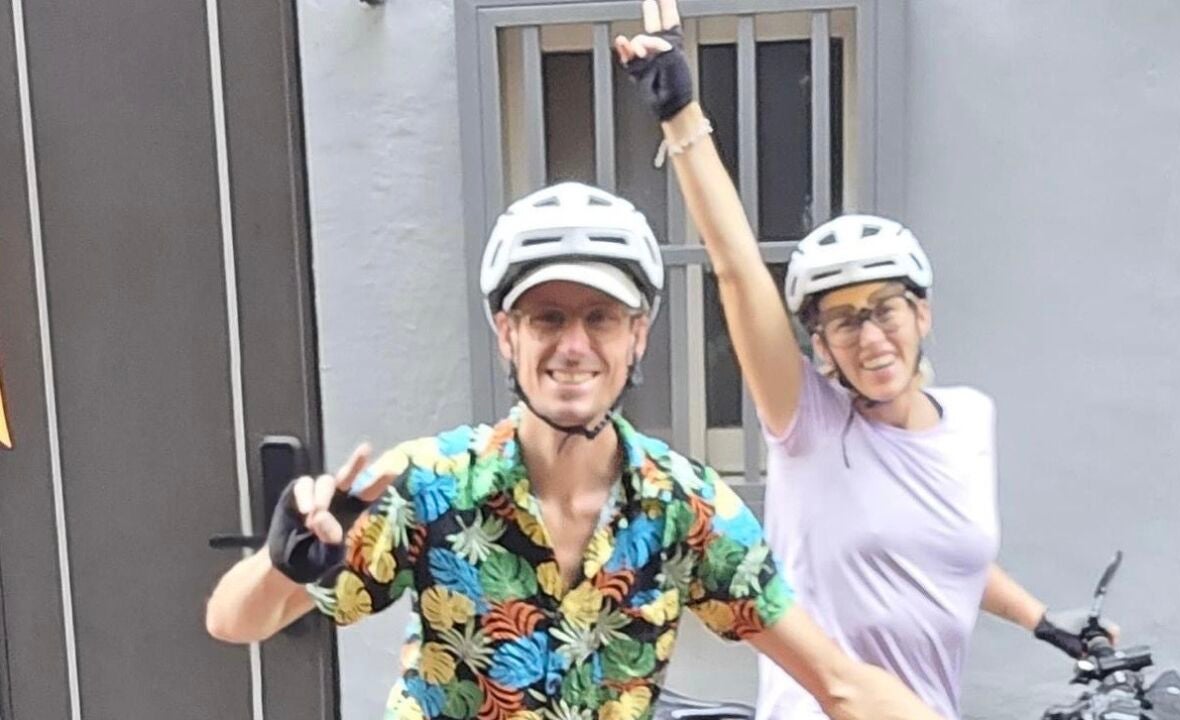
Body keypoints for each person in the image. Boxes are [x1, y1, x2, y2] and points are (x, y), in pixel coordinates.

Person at [204, 181, 942, 720]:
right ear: (507, 335)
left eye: (601, 318)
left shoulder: (683, 507)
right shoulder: (429, 484)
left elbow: (838, 683)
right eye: (547, 318)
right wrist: (282, 562)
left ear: (637, 336)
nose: (574, 345)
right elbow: (235, 622)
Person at [612, 2, 1116, 718]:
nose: (870, 336)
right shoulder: (809, 429)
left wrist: (1041, 620)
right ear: (820, 344)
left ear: (922, 314)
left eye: (885, 308)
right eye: (844, 321)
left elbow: (944, 553)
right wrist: (681, 117)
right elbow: (736, 270)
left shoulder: (969, 420)